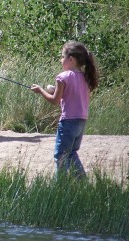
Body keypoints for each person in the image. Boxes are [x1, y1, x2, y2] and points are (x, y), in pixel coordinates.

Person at [31, 41, 99, 178]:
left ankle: (60, 186)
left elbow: (55, 101)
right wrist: (54, 89)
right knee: (72, 153)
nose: (61, 60)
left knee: (60, 155)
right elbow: (72, 94)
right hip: (81, 122)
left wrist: (41, 91)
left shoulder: (62, 77)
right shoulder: (86, 78)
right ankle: (81, 182)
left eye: (62, 57)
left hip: (68, 122)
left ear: (71, 59)